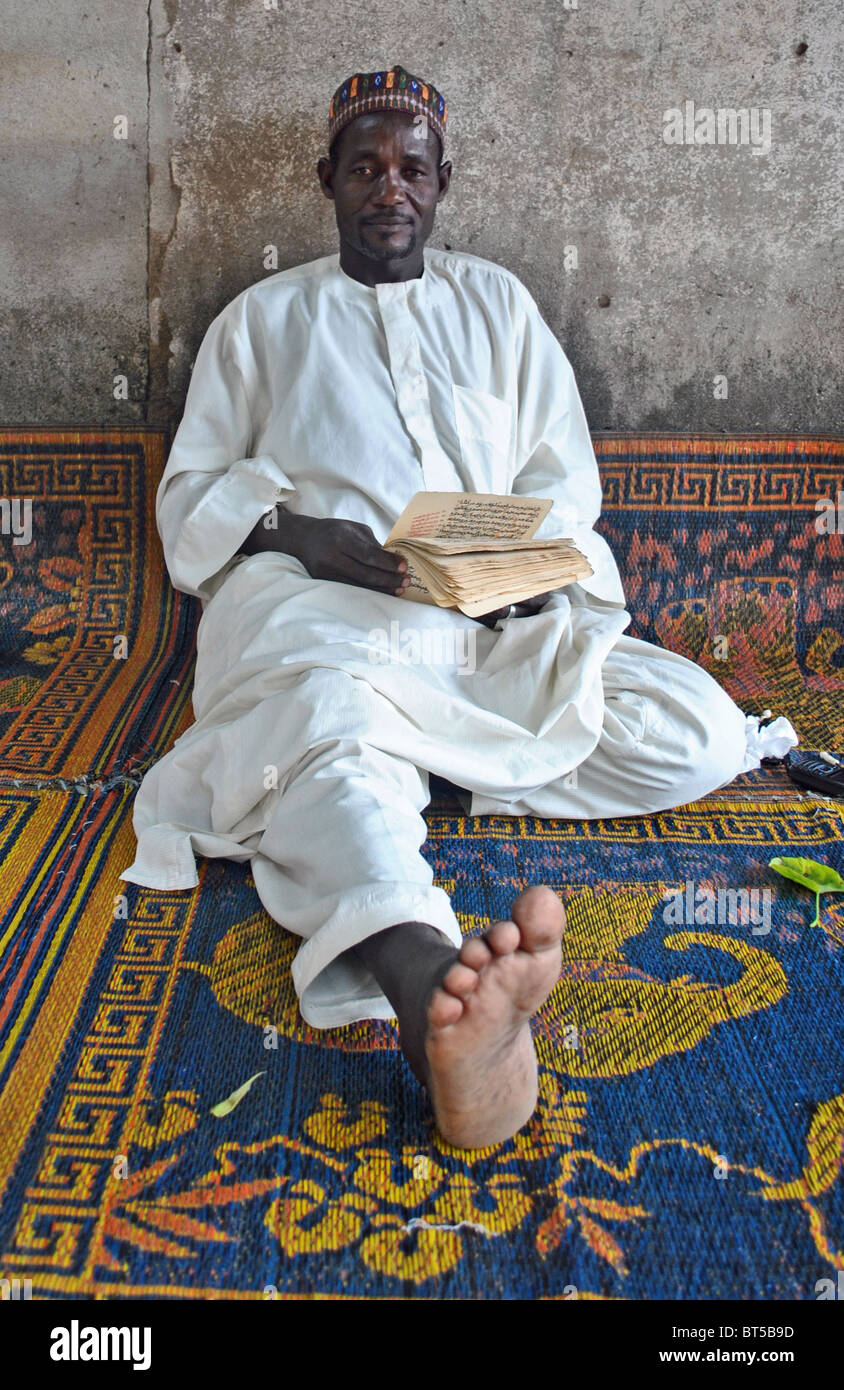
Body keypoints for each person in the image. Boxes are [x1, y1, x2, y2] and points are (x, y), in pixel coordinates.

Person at [120, 64, 792, 1149]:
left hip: (489, 624)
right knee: (324, 744)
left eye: (413, 169)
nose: (391, 187)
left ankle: (424, 771)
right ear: (326, 179)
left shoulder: (498, 304)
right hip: (319, 617)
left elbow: (563, 484)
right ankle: (432, 985)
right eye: (366, 167)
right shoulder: (261, 321)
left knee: (700, 732)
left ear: (443, 183)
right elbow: (191, 500)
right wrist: (298, 533)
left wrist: (513, 567)